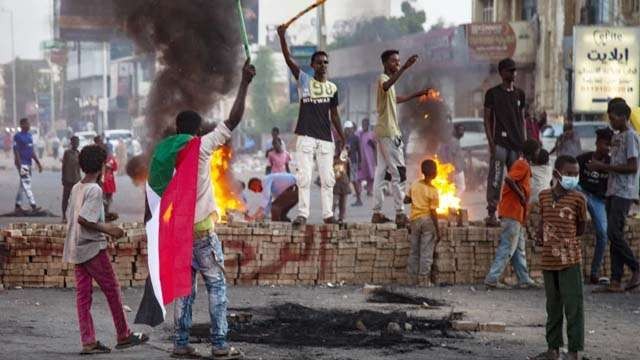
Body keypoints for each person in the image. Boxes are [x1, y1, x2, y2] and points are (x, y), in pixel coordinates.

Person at [170, 60, 255, 359]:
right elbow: (232, 120)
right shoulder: (201, 147)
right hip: (203, 234)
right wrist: (244, 83)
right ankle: (219, 345)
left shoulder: (167, 154)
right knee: (216, 287)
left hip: (178, 235)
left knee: (184, 290)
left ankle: (180, 343)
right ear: (197, 131)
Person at [62, 144, 149, 355]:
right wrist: (108, 229)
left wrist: (103, 216)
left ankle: (88, 341)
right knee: (112, 289)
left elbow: (74, 215)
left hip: (76, 248)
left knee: (83, 296)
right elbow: (84, 219)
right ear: (101, 166)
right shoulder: (95, 189)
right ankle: (123, 334)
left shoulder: (77, 187)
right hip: (92, 249)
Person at [277, 24, 345, 226]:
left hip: (326, 138)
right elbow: (289, 60)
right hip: (306, 136)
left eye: (326, 62)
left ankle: (328, 215)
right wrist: (282, 36)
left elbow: (334, 113)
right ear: (312, 65)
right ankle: (303, 215)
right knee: (304, 178)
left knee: (328, 179)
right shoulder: (304, 81)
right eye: (319, 62)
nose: (323, 65)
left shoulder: (332, 87)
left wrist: (342, 136)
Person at [371, 49, 431, 227]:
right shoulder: (383, 79)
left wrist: (415, 95)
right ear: (385, 63)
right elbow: (387, 85)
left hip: (383, 133)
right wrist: (405, 68)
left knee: (381, 173)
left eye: (398, 61)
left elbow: (394, 98)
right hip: (389, 133)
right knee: (399, 172)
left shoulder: (389, 83)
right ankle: (400, 213)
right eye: (393, 61)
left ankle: (377, 212)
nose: (396, 63)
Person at [536, 155, 587, 360]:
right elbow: (542, 219)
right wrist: (541, 234)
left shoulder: (578, 199)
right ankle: (553, 349)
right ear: (557, 173)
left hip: (570, 261)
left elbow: (581, 227)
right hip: (549, 260)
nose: (573, 177)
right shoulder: (544, 196)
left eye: (576, 174)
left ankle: (573, 352)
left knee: (573, 307)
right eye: (569, 173)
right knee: (553, 306)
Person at [588, 100, 640, 292]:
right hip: (612, 190)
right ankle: (615, 280)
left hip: (624, 191)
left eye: (613, 118)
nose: (611, 122)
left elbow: (633, 167)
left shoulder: (631, 137)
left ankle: (636, 267)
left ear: (623, 117)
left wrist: (604, 167)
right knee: (613, 233)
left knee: (613, 233)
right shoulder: (617, 137)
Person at [484, 139, 540, 289]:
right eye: (537, 151)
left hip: (517, 214)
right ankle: (492, 279)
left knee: (518, 249)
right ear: (533, 152)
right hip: (512, 212)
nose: (538, 154)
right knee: (508, 247)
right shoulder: (522, 164)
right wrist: (521, 196)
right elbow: (509, 179)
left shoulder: (524, 165)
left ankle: (524, 279)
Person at [483, 58, 527, 227]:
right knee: (496, 178)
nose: (513, 73)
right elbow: (487, 120)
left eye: (514, 70)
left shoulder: (520, 94)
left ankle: (512, 213)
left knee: (515, 181)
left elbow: (522, 120)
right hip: (500, 144)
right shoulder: (492, 93)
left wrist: (524, 143)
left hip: (516, 145)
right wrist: (491, 144)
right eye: (510, 71)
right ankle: (492, 213)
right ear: (502, 73)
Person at [576, 128, 613, 285]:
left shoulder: (611, 163)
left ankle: (594, 272)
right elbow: (566, 172)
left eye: (610, 146)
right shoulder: (583, 158)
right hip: (582, 192)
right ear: (597, 143)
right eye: (605, 144)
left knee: (603, 234)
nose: (608, 148)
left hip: (598, 200)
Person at [404, 159, 440, 286]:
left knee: (414, 251)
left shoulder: (414, 184)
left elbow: (406, 200)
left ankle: (412, 279)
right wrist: (437, 230)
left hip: (414, 220)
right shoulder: (433, 191)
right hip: (428, 221)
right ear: (434, 173)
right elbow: (434, 212)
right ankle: (424, 280)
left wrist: (414, 198)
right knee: (426, 251)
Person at [13, 118, 43, 213]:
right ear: (22, 125)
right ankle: (33, 205)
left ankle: (17, 206)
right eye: (27, 124)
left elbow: (32, 151)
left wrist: (38, 163)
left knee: (23, 185)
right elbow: (16, 150)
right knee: (27, 184)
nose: (29, 125)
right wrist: (19, 164)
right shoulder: (17, 136)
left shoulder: (29, 136)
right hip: (23, 163)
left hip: (29, 163)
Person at [440, 123, 466, 196]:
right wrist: (451, 168)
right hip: (456, 169)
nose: (462, 132)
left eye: (463, 130)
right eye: (460, 130)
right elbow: (450, 156)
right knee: (461, 187)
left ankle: (452, 201)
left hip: (455, 168)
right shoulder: (454, 141)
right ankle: (453, 201)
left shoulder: (453, 140)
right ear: (455, 130)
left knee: (454, 187)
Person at [61, 136, 81, 222]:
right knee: (66, 198)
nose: (76, 144)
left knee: (76, 200)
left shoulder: (78, 153)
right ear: (71, 143)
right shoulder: (67, 153)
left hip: (76, 179)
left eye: (78, 142)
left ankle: (75, 216)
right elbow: (64, 166)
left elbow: (80, 167)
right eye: (75, 142)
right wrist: (63, 177)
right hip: (68, 179)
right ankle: (64, 215)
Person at [343, 121, 362, 206]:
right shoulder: (343, 138)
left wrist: (360, 162)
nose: (347, 131)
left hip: (353, 162)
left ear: (351, 129)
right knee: (343, 181)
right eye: (346, 130)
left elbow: (359, 151)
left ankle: (359, 199)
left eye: (349, 129)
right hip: (343, 162)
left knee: (354, 181)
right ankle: (343, 201)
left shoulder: (355, 138)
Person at [332, 142, 351, 223]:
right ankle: (331, 216)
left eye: (341, 148)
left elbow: (349, 171)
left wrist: (348, 181)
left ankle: (341, 217)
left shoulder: (346, 160)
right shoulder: (333, 159)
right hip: (335, 183)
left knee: (343, 203)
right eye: (338, 148)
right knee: (334, 202)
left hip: (344, 183)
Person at [357, 118, 376, 197]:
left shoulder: (371, 134)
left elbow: (375, 146)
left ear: (368, 125)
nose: (364, 125)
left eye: (366, 124)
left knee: (370, 176)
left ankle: (369, 190)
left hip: (369, 158)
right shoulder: (358, 134)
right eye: (363, 124)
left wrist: (375, 158)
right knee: (358, 176)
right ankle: (358, 191)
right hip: (360, 158)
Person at [102, 148, 118, 221]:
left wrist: (110, 166)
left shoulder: (112, 159)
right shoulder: (101, 158)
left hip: (110, 180)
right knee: (103, 197)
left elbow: (115, 168)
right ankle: (104, 212)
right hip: (103, 180)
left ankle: (106, 212)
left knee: (109, 197)